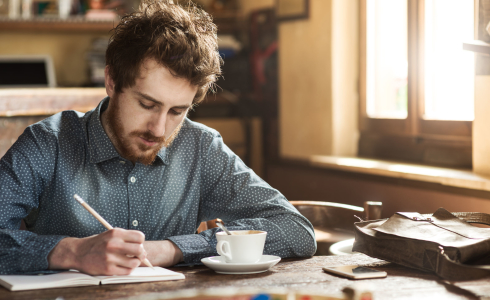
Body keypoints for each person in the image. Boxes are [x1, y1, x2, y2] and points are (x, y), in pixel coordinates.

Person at [0, 0, 316, 275]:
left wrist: (172, 249)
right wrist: (73, 252)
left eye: (178, 111)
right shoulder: (48, 143)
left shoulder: (201, 148)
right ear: (112, 81)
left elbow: (297, 231)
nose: (159, 129)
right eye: (147, 105)